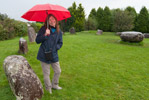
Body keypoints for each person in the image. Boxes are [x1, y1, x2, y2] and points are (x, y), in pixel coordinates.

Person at [35, 14, 63, 94]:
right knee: (46, 73)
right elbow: (37, 40)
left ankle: (55, 85)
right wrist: (45, 35)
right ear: (47, 21)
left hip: (53, 54)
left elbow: (60, 43)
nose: (52, 21)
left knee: (58, 71)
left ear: (56, 20)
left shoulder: (58, 31)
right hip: (44, 54)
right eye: (50, 20)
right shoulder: (44, 29)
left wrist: (56, 48)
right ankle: (48, 88)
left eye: (53, 19)